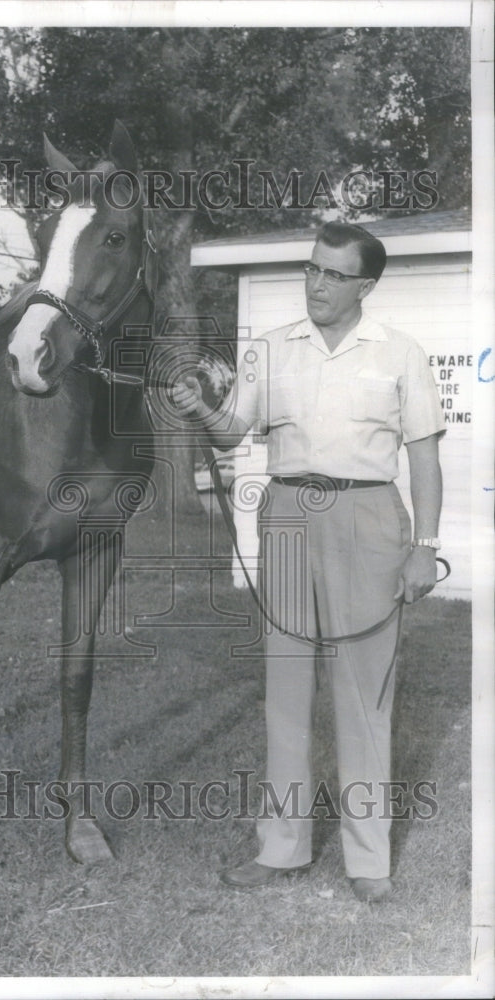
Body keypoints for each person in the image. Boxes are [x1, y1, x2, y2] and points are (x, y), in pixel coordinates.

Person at [172, 221, 444, 902]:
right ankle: (281, 847)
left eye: (333, 274)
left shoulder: (400, 352)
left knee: (363, 692)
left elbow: (423, 459)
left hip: (369, 517)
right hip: (288, 516)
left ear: (365, 285)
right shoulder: (269, 348)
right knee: (286, 688)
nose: (316, 284)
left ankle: (368, 861)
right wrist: (200, 408)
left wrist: (425, 548)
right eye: (311, 269)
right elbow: (232, 433)